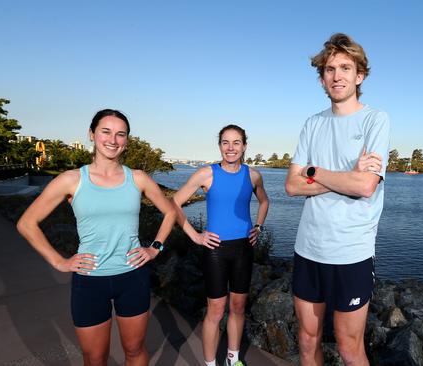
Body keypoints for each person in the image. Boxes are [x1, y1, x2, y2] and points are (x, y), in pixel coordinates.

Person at [17, 109, 177, 366]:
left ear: (126, 141)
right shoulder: (71, 180)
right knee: (94, 357)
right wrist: (60, 262)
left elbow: (170, 213)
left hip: (132, 276)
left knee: (135, 351)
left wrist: (154, 248)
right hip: (90, 281)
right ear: (91, 134)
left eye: (120, 134)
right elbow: (26, 223)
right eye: (106, 131)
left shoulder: (137, 178)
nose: (113, 140)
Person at [284, 33, 390, 366]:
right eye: (330, 69)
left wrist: (313, 171)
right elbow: (291, 185)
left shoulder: (376, 120)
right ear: (321, 78)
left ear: (360, 75)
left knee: (348, 346)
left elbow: (365, 187)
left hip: (351, 253)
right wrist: (346, 177)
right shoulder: (312, 124)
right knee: (307, 340)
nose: (337, 75)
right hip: (308, 249)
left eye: (346, 67)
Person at [172, 124, 269, 366]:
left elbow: (264, 202)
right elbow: (174, 203)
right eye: (225, 142)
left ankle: (232, 359)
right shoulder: (207, 174)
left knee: (238, 307)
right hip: (215, 249)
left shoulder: (253, 175)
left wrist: (258, 227)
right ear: (219, 146)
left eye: (236, 142)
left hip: (244, 249)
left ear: (244, 146)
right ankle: (209, 363)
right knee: (215, 311)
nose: (231, 147)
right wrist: (195, 235)